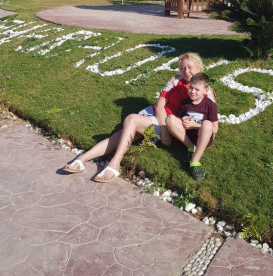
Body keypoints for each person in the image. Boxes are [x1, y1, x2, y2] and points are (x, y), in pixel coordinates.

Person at [63, 52, 216, 182]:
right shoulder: (175, 80)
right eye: (183, 68)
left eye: (190, 67)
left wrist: (169, 128)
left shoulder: (204, 91)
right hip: (156, 115)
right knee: (121, 134)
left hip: (168, 121)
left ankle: (114, 163)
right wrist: (164, 128)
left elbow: (208, 119)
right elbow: (160, 104)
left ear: (198, 67)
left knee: (131, 120)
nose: (186, 71)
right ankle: (82, 159)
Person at [166, 73, 218, 181]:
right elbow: (178, 119)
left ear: (205, 91)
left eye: (197, 89)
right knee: (170, 119)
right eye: (191, 88)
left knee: (207, 124)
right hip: (188, 136)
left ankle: (195, 162)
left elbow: (214, 129)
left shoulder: (210, 105)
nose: (192, 91)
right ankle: (191, 148)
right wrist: (183, 119)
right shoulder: (185, 103)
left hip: (203, 138)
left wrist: (195, 125)